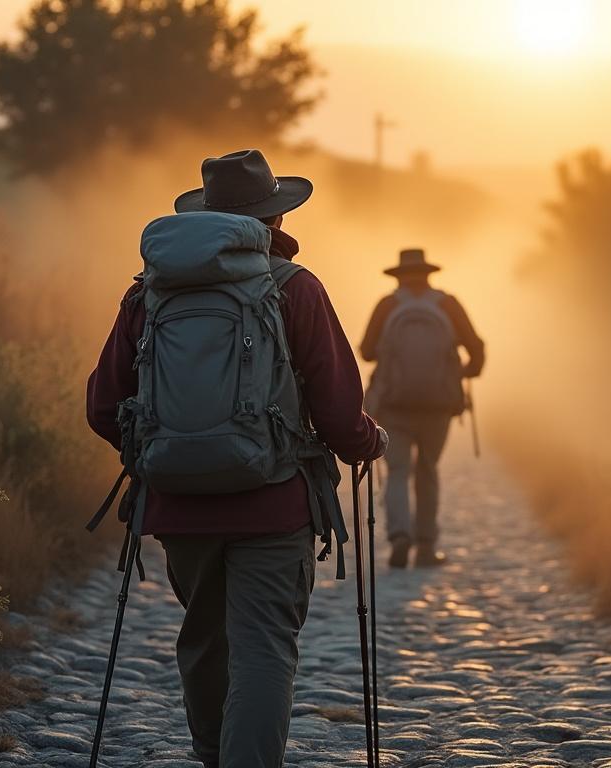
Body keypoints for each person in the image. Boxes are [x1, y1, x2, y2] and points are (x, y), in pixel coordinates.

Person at [86, 149, 387, 768]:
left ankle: (213, 758)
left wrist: (167, 454)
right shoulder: (295, 288)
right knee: (264, 650)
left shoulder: (147, 293)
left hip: (178, 505)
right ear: (274, 220)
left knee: (204, 642)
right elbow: (336, 410)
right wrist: (368, 443)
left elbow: (102, 405)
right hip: (274, 505)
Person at [359, 248, 485, 568]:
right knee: (427, 471)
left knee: (398, 471)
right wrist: (462, 372)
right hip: (438, 405)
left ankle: (400, 535)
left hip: (394, 404)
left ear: (398, 275)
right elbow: (477, 348)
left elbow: (367, 351)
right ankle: (426, 546)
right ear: (429, 273)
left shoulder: (388, 305)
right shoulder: (448, 304)